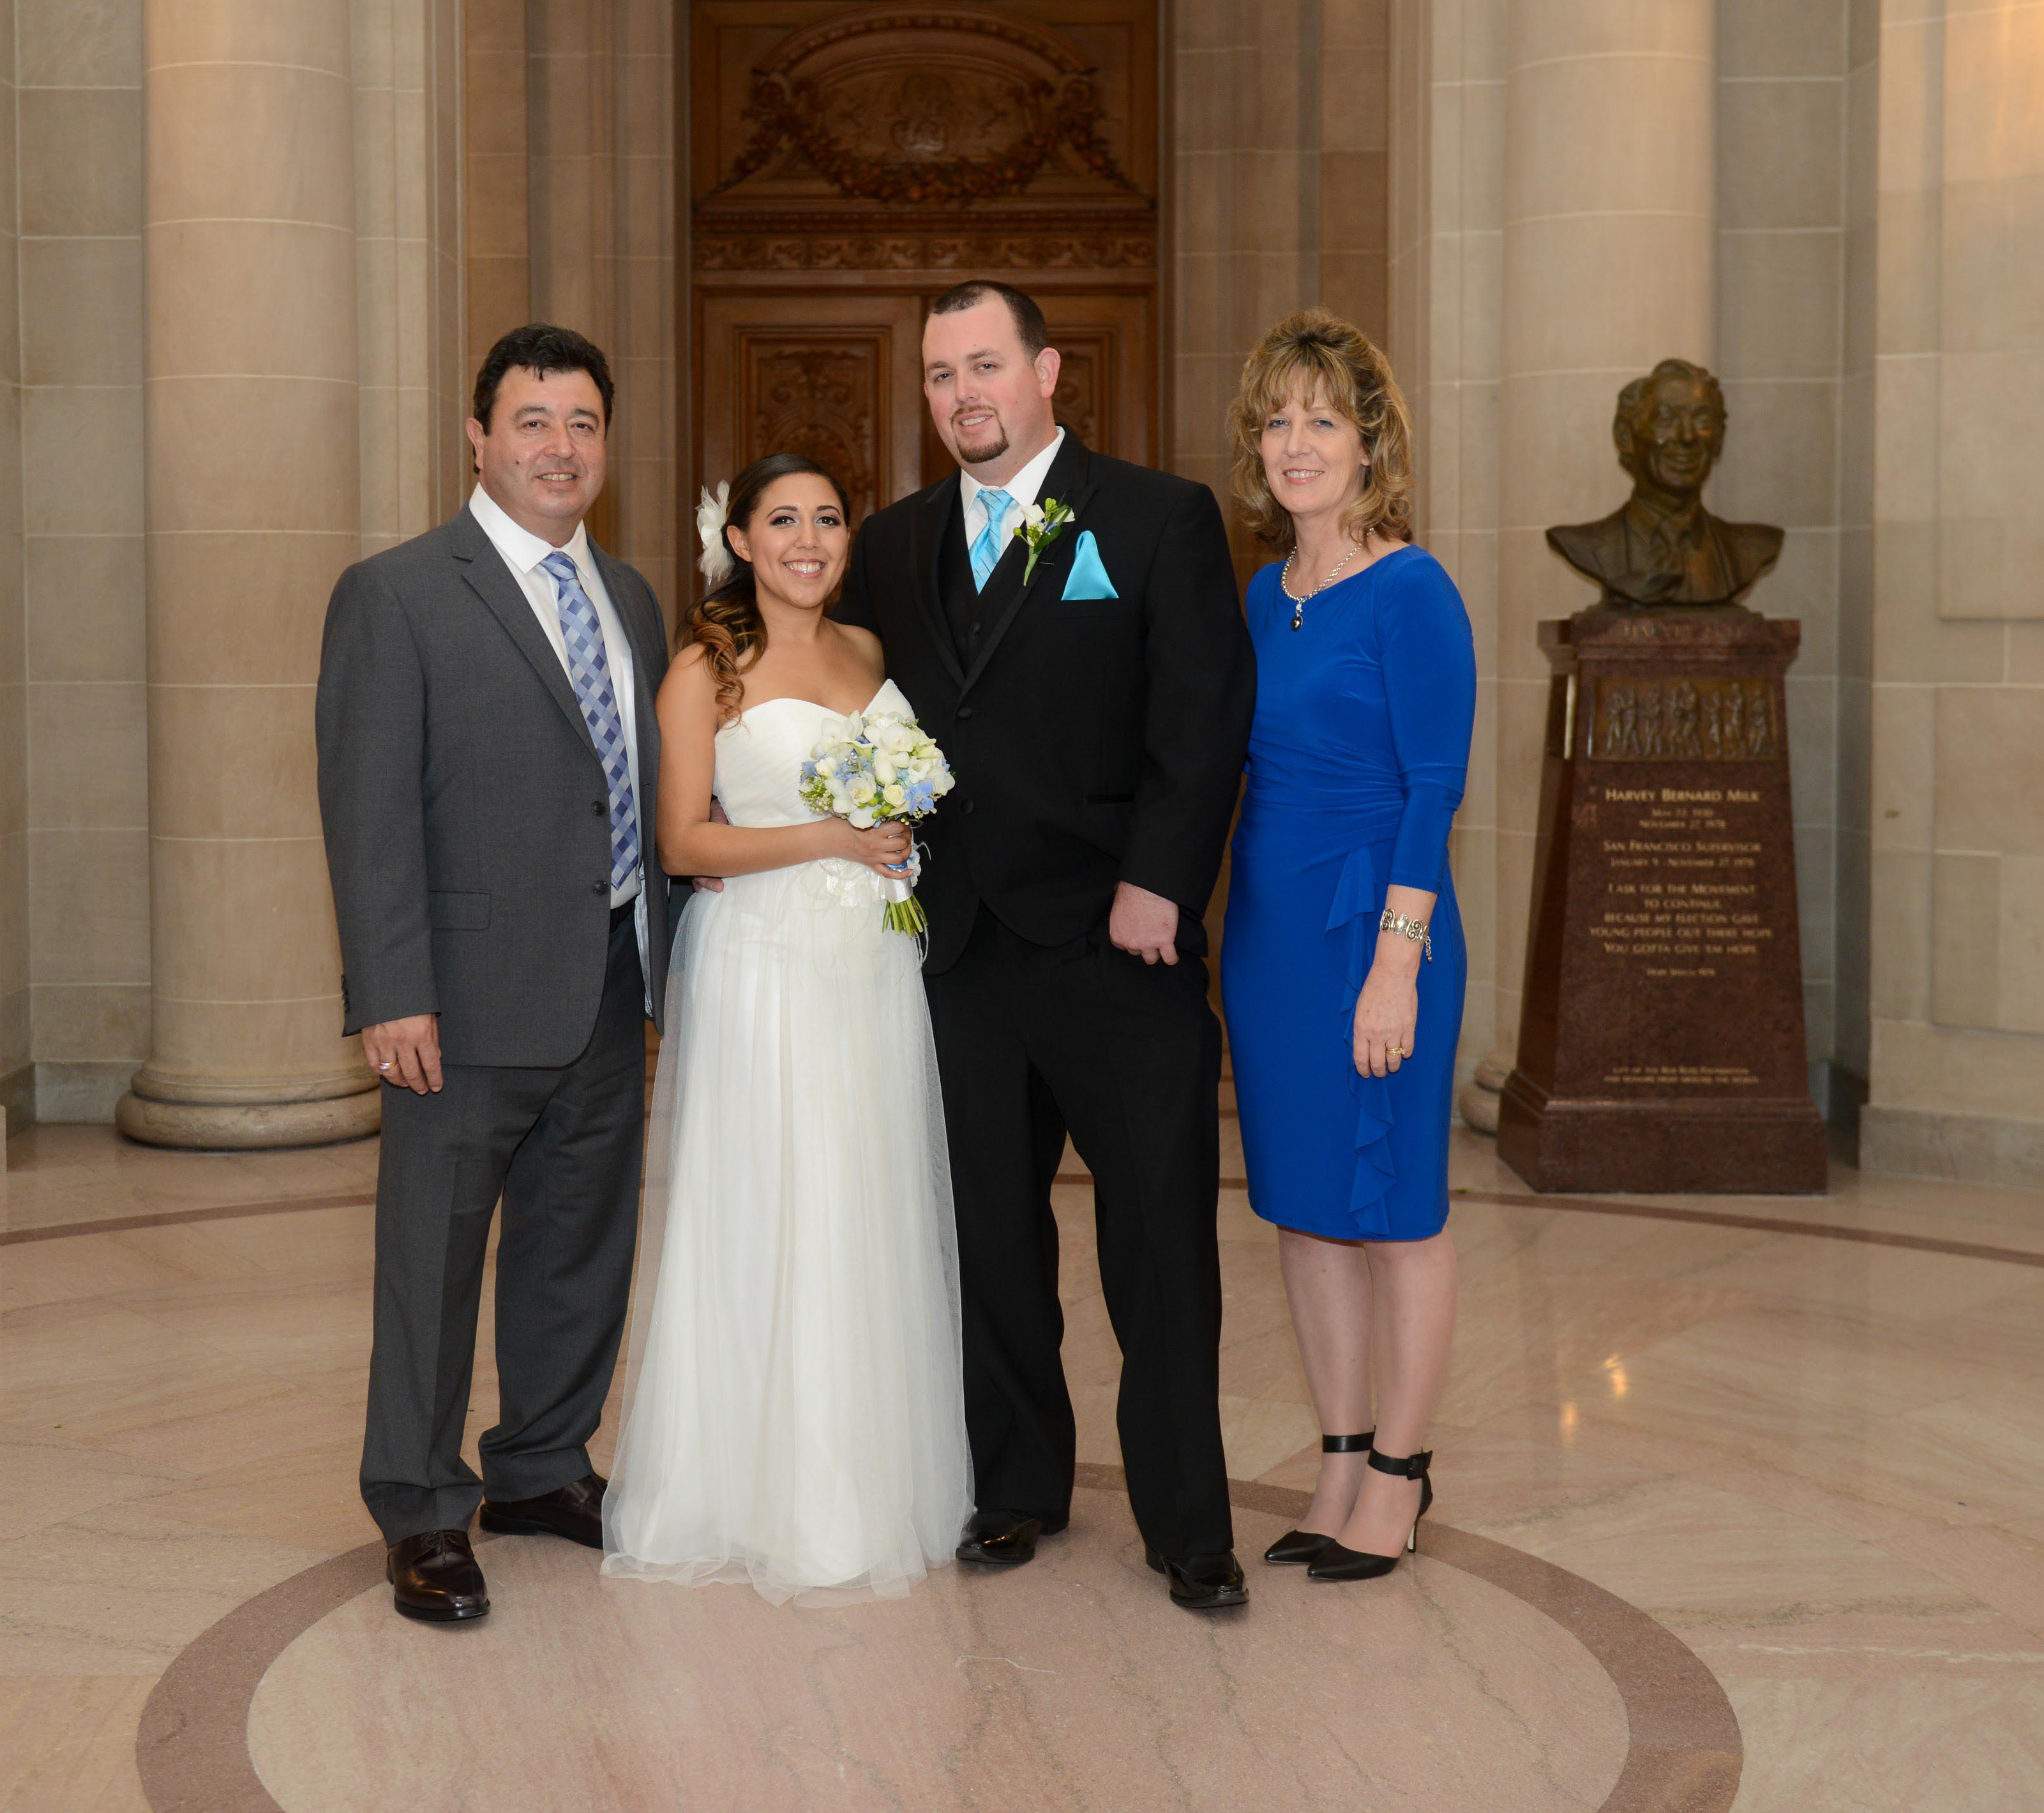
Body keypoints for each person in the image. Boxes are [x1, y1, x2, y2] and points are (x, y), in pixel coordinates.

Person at [834, 280, 1256, 1613]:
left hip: (1117, 948)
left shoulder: (1154, 516)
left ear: (1047, 371)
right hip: (960, 953)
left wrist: (1160, 884)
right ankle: (1016, 1483)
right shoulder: (895, 544)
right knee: (991, 1242)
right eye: (941, 374)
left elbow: (1203, 718)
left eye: (986, 365)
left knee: (1159, 1247)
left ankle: (1191, 1522)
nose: (964, 393)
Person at [313, 324, 683, 1625]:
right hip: (458, 1001)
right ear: (478, 437)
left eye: (583, 422)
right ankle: (419, 1501)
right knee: (435, 1255)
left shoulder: (631, 598)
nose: (561, 447)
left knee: (579, 1245)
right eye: (534, 420)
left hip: (605, 979)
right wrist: (389, 986)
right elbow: (367, 808)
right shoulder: (400, 591)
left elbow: (630, 789)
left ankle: (539, 1466)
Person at [599, 454, 973, 1604]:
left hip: (869, 963)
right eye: (782, 520)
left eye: (826, 518)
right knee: (772, 1201)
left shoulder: (868, 651)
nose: (807, 538)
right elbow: (681, 845)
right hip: (763, 965)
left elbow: (896, 799)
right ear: (743, 542)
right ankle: (755, 1489)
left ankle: (867, 1478)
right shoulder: (705, 669)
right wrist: (827, 837)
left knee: (863, 1202)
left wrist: (893, 835)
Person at [1217, 309, 1475, 1583]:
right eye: (1278, 418)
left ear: (1372, 443)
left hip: (1376, 928)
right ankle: (1338, 1455)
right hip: (1269, 939)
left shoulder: (1414, 590)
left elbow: (1434, 786)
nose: (1298, 442)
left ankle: (1403, 1473)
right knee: (1307, 1213)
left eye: (1325, 418)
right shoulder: (1265, 593)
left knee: (1396, 1210)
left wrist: (1396, 960)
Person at [1543, 358, 1783, 608]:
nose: (1687, 437)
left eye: (1703, 421)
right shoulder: (1587, 545)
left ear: (1719, 439)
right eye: (1666, 420)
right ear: (1625, 436)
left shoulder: (1750, 548)